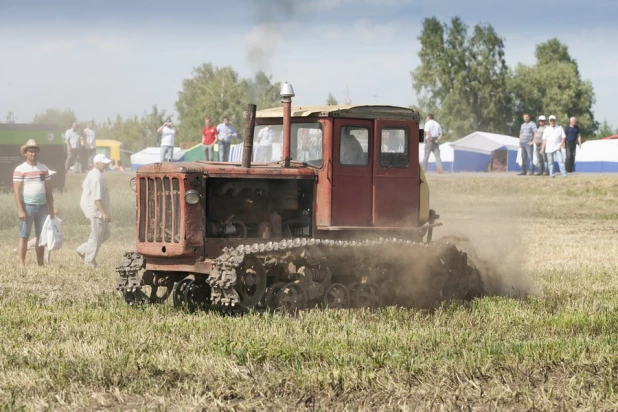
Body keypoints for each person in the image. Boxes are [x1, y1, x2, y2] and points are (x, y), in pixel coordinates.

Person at [12, 139, 55, 268]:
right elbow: (16, 191)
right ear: (25, 153)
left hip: (42, 207)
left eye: (35, 151)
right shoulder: (20, 169)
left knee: (41, 237)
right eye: (30, 151)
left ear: (38, 152)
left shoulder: (43, 168)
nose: (33, 153)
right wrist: (20, 209)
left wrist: (51, 208)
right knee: (24, 236)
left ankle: (40, 263)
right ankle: (21, 264)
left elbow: (48, 189)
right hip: (27, 206)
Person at [77, 153, 112, 267]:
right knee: (96, 236)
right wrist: (103, 213)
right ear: (96, 164)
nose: (106, 165)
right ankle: (89, 261)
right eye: (103, 163)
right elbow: (97, 198)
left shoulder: (96, 175)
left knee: (105, 234)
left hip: (96, 209)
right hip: (95, 210)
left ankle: (83, 250)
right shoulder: (96, 177)